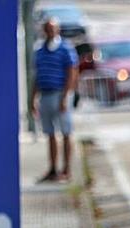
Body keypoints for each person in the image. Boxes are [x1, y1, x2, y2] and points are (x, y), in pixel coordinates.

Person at [32, 18, 78, 183]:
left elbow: (72, 72)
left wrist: (65, 96)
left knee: (65, 132)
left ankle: (66, 169)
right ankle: (53, 168)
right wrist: (33, 98)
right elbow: (37, 76)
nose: (50, 32)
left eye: (52, 29)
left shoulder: (65, 48)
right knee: (50, 133)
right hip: (45, 94)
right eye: (47, 29)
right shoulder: (40, 50)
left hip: (60, 93)